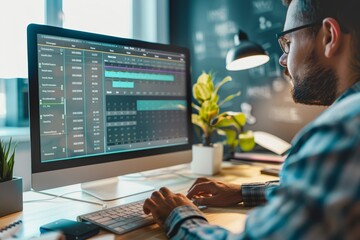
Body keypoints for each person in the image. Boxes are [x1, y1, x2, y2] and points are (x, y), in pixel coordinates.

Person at [143, 0, 360, 238]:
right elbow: (330, 191)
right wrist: (242, 192)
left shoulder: (343, 130)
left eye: (288, 43)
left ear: (329, 37)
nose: (282, 60)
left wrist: (178, 213)